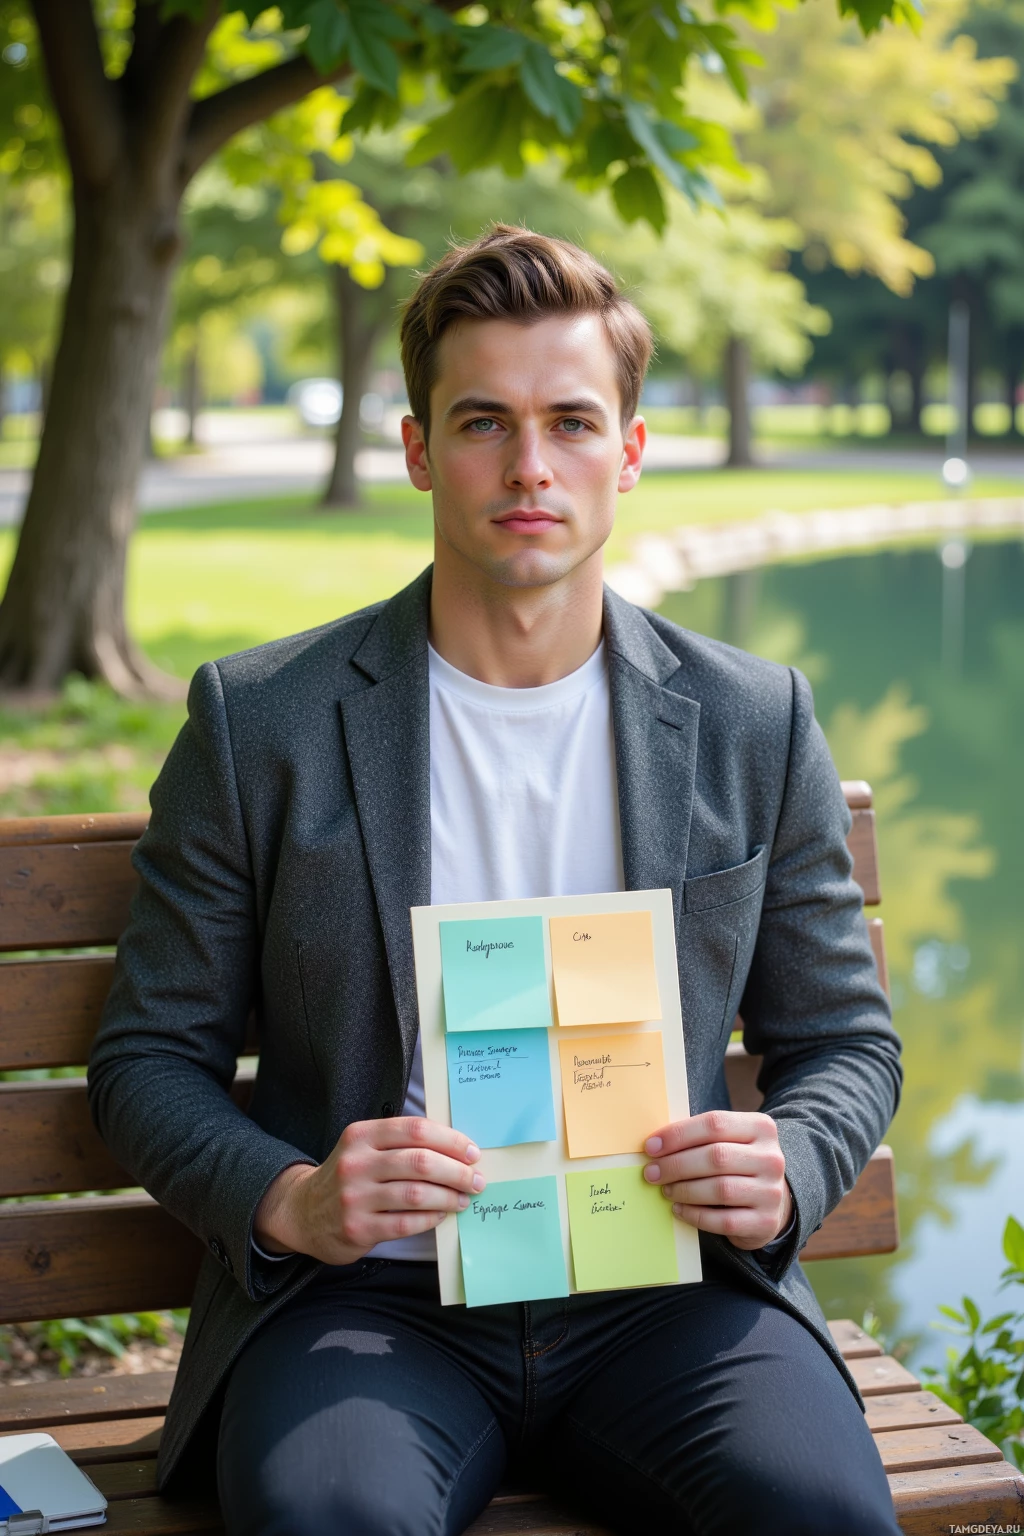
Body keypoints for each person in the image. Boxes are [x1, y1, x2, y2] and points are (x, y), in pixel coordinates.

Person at [88, 226, 903, 1536]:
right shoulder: (263, 724)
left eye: (572, 421)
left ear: (629, 453)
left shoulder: (758, 720)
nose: (531, 465)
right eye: (484, 422)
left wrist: (794, 1163)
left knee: (823, 1517)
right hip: (365, 1304)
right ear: (418, 448)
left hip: (669, 1296)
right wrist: (292, 1199)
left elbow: (847, 1045)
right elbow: (142, 1065)